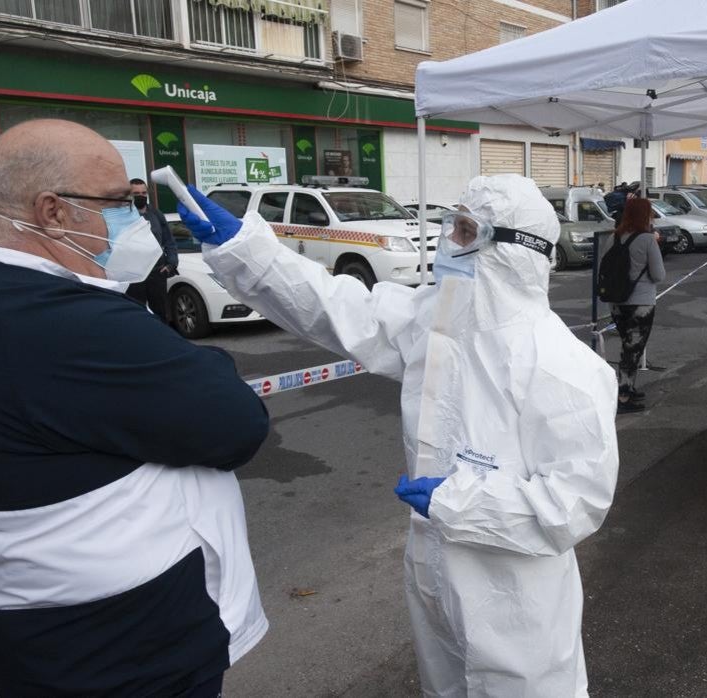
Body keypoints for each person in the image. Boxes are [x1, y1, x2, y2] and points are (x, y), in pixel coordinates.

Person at [181, 173, 619, 696]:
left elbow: (575, 503)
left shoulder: (565, 368)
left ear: (508, 248)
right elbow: (340, 308)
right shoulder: (438, 322)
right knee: (444, 685)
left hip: (515, 598)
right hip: (435, 572)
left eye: (462, 230)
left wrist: (458, 501)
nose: (446, 245)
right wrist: (246, 251)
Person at [0, 119, 271, 697]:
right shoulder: (59, 321)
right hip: (122, 651)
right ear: (52, 212)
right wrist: (202, 364)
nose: (134, 219)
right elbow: (235, 421)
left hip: (66, 638)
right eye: (117, 204)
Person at [609, 197, 666, 413]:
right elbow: (659, 274)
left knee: (627, 345)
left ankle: (628, 387)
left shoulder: (614, 237)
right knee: (633, 349)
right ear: (646, 215)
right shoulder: (647, 239)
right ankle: (624, 395)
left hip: (615, 302)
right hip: (640, 302)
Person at [126, 177, 179, 323]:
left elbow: (169, 241)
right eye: (136, 193)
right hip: (134, 274)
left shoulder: (156, 214)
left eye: (143, 193)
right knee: (136, 315)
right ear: (129, 195)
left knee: (161, 314)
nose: (141, 196)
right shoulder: (123, 216)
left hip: (157, 272)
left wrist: (171, 263)